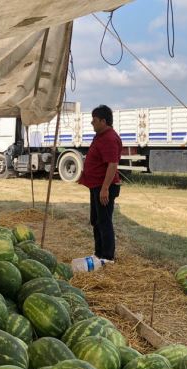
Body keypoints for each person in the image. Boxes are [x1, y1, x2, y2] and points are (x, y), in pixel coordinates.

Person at [78, 105, 122, 262]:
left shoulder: (110, 138)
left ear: (104, 121)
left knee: (104, 222)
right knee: (96, 220)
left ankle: (108, 257)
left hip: (105, 187)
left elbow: (112, 164)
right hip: (96, 185)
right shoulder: (101, 135)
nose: (92, 123)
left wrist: (104, 189)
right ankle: (98, 254)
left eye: (94, 120)